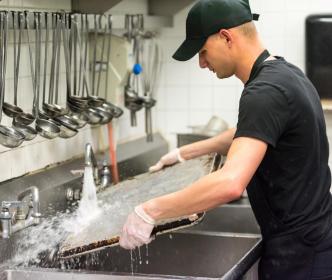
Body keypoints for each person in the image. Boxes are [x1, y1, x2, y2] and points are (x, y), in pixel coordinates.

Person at [119, 0, 332, 278]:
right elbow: (252, 133)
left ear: (226, 37)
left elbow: (231, 184)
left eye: (203, 51)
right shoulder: (284, 73)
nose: (202, 63)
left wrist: (149, 210)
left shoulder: (264, 91)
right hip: (313, 241)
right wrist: (187, 152)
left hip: (300, 258)